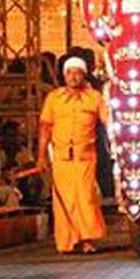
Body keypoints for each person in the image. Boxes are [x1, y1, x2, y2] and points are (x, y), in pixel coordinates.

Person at [37, 56, 109, 254]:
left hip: (85, 156)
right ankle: (68, 242)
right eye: (69, 73)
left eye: (77, 73)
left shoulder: (94, 97)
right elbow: (45, 127)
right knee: (64, 201)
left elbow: (107, 121)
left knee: (86, 198)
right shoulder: (54, 98)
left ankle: (87, 240)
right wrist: (41, 156)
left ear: (84, 75)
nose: (73, 77)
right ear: (64, 75)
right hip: (61, 157)